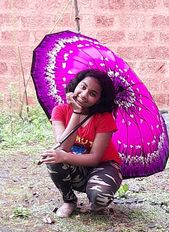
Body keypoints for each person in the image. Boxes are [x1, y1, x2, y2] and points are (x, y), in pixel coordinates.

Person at [40, 69, 123, 218]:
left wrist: (64, 157)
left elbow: (95, 158)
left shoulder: (104, 118)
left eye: (93, 94)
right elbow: (64, 147)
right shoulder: (59, 111)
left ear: (99, 99)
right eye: (83, 87)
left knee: (99, 198)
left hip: (103, 166)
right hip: (78, 167)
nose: (84, 95)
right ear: (75, 85)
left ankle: (95, 193)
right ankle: (69, 201)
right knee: (54, 158)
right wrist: (76, 113)